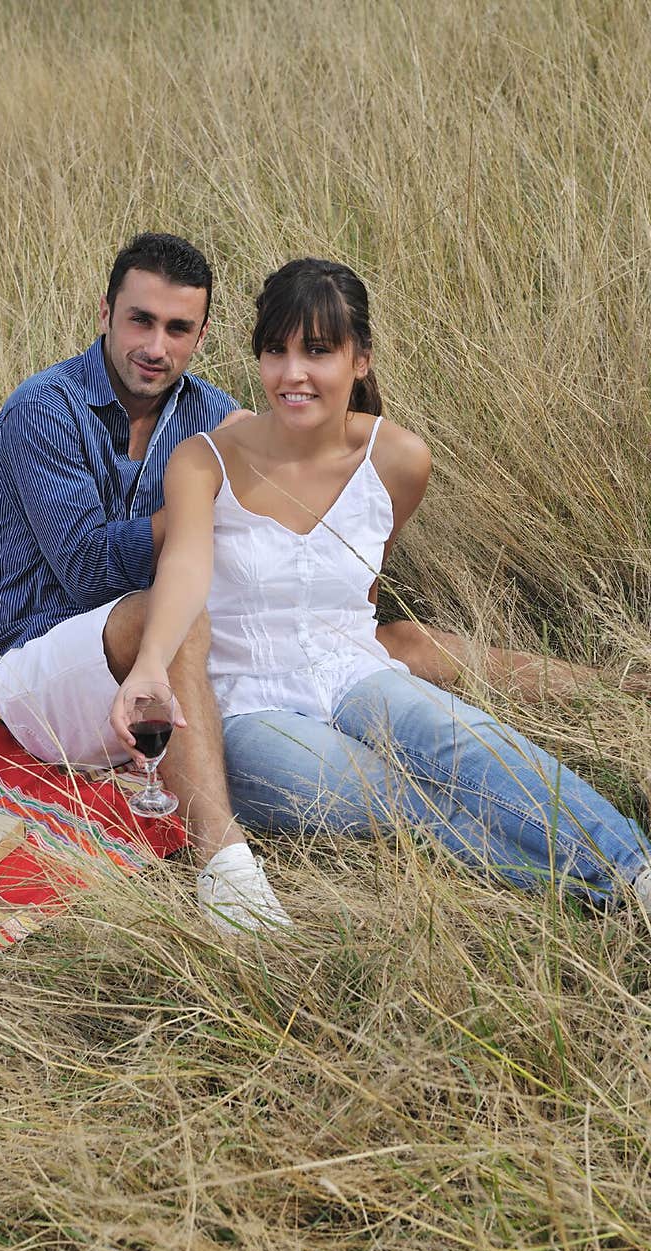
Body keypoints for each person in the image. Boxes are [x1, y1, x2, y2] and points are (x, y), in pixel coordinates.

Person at [111, 257, 651, 920]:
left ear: (360, 359)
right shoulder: (204, 459)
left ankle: (637, 873)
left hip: (355, 672)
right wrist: (148, 665)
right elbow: (185, 569)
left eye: (317, 351)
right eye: (275, 351)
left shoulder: (397, 459)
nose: (293, 374)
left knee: (468, 745)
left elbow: (360, 584)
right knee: (407, 802)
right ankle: (599, 891)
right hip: (250, 705)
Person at [0, 232, 292, 931]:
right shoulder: (44, 410)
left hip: (163, 654)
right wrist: (196, 491)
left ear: (202, 335)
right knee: (163, 617)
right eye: (140, 320)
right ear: (106, 313)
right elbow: (87, 571)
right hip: (34, 660)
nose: (156, 346)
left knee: (375, 645)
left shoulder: (212, 415)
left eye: (178, 328)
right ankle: (227, 875)